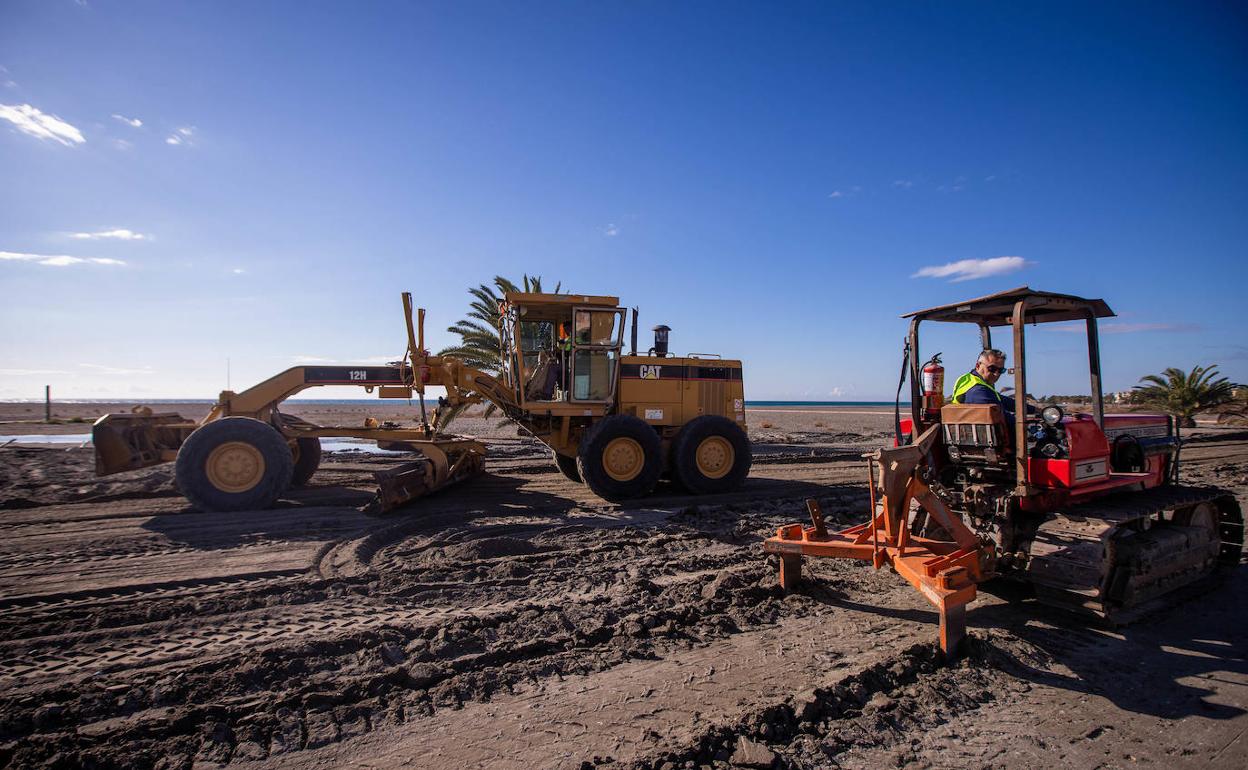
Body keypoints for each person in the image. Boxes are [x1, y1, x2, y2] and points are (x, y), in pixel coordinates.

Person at [951, 349, 1035, 423]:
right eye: (992, 369)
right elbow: (1003, 417)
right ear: (978, 366)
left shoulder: (970, 380)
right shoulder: (978, 391)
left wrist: (1035, 410)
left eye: (1001, 370)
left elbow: (1004, 401)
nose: (996, 374)